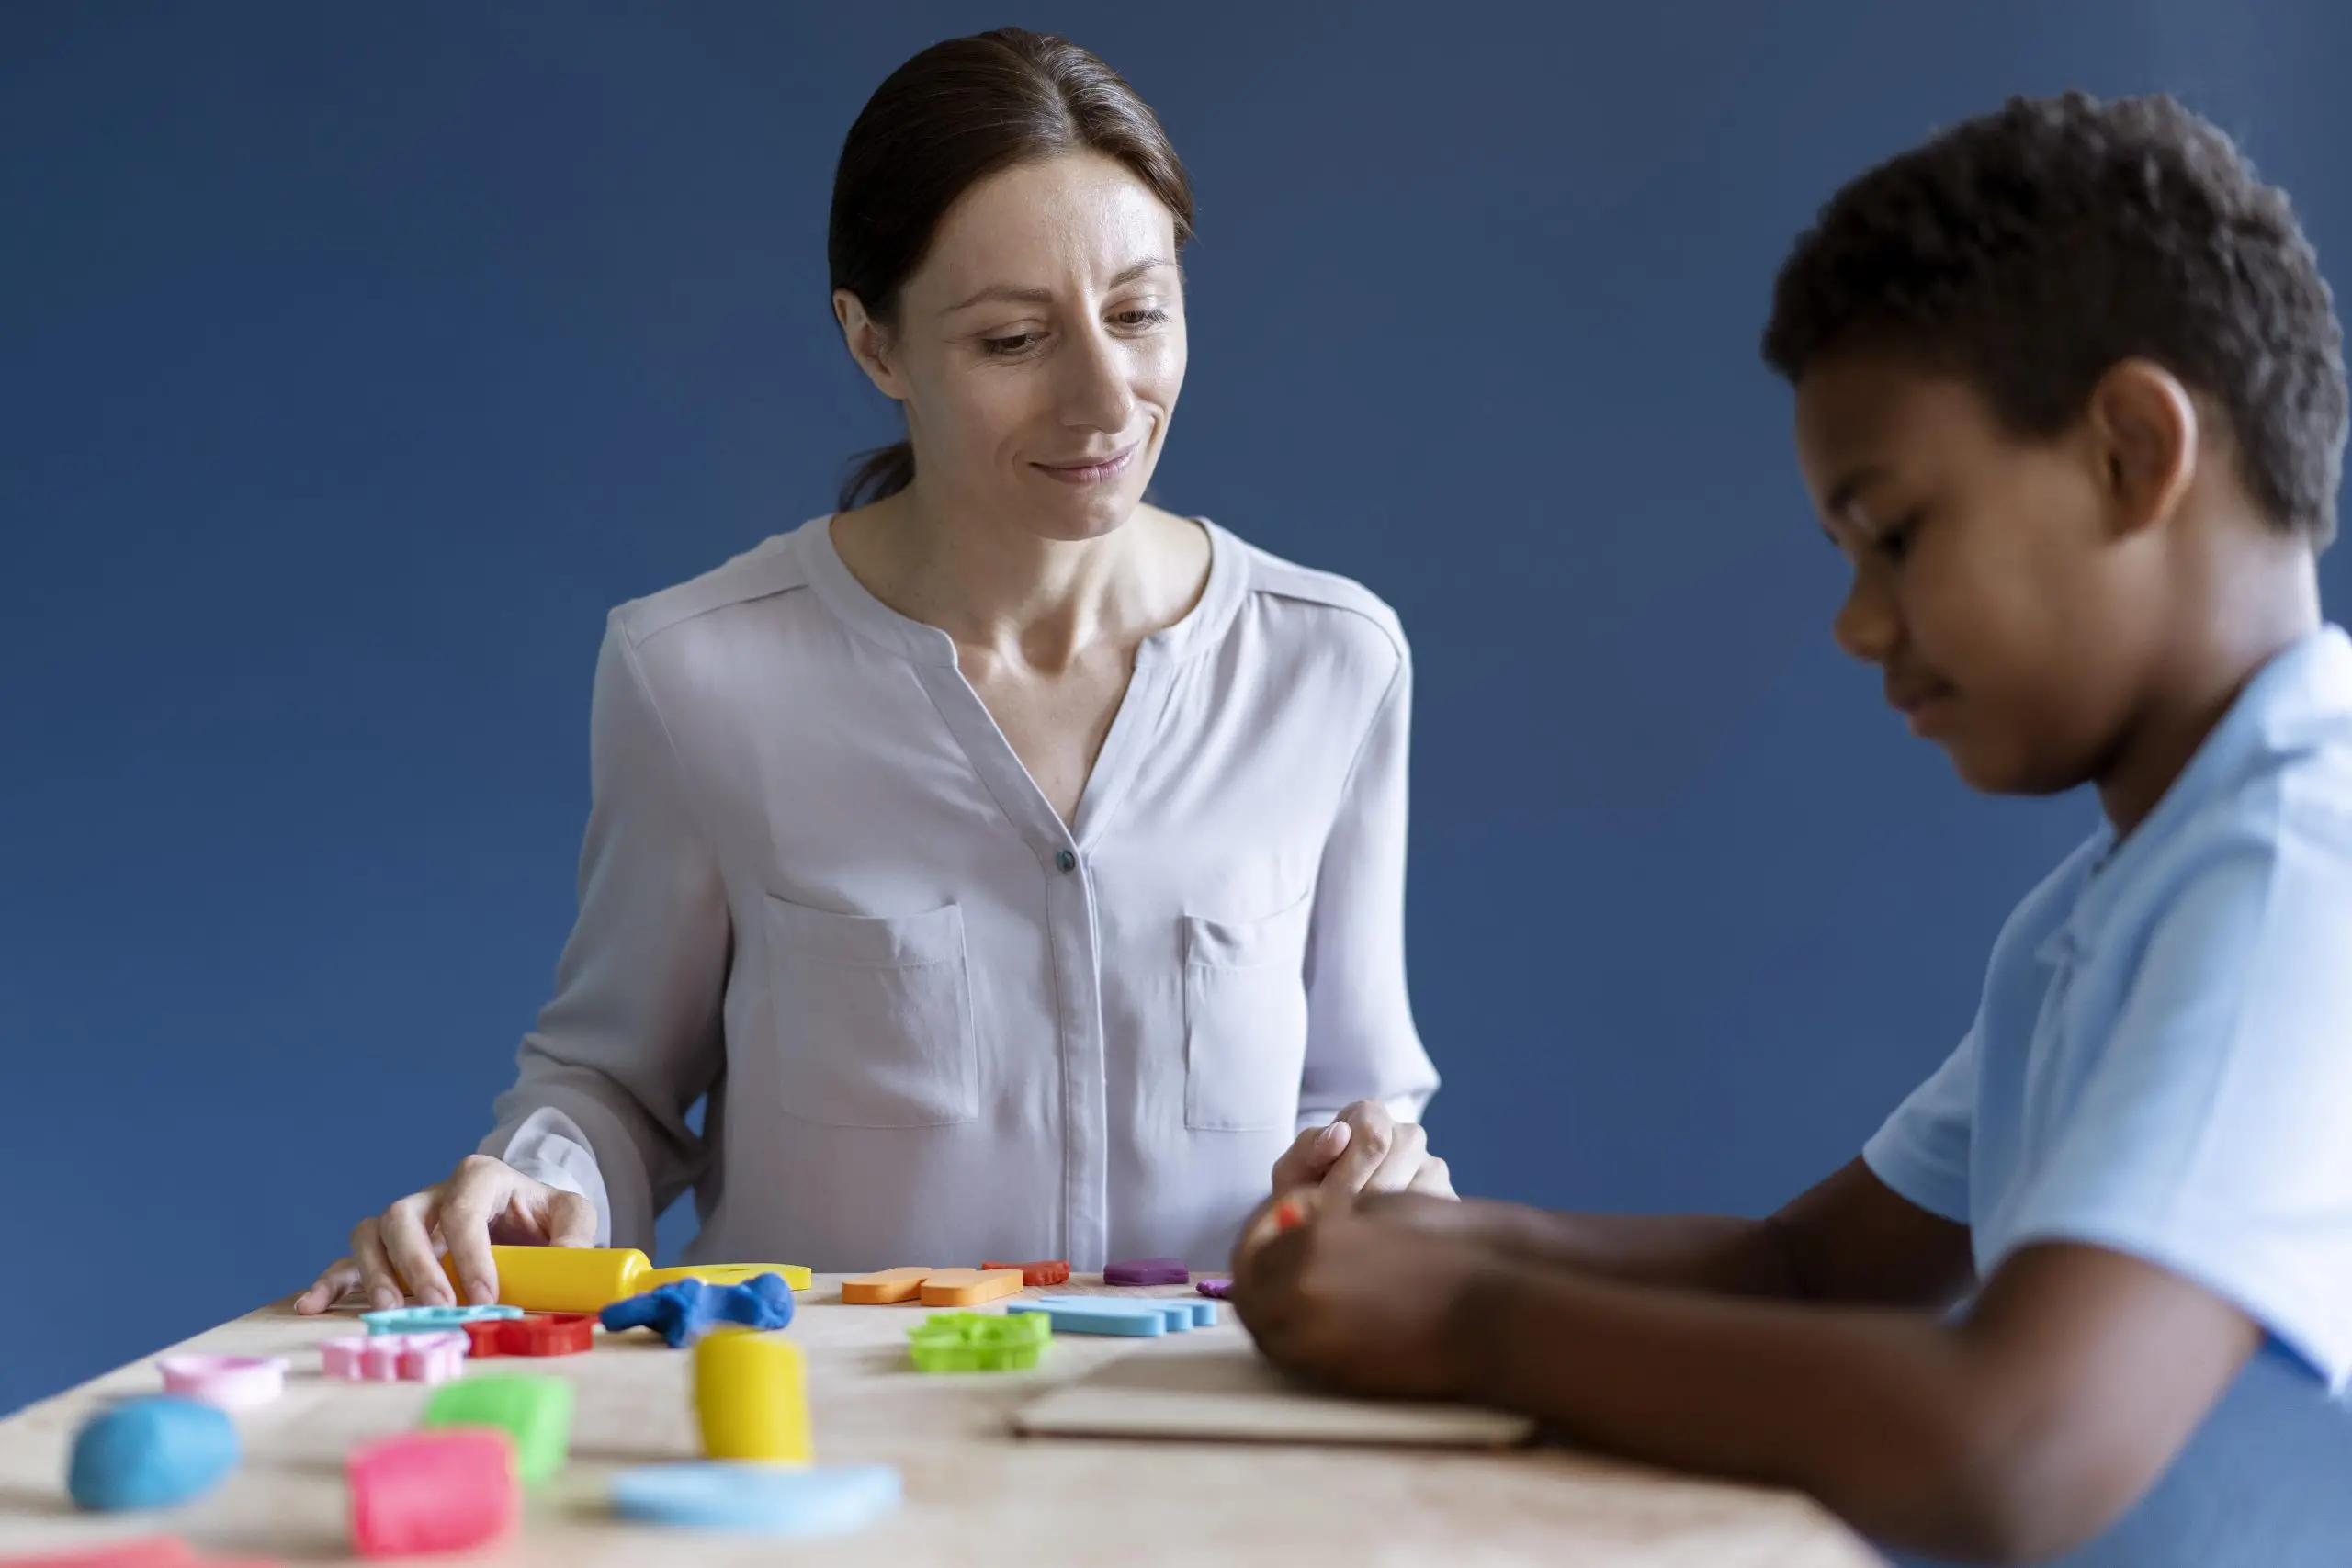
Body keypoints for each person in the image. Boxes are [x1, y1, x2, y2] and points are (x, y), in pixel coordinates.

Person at [1229, 91, 2352, 1567]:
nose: (1858, 621)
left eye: (1897, 532)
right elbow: (1809, 1269)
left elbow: (2010, 1446)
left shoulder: (2295, 867)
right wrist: (1446, 1241)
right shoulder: (2098, 914)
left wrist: (1473, 1323)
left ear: (2133, 452)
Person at [298, 28, 1449, 1319]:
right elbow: (609, 1086)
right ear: (874, 345)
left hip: (1202, 1457)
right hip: (824, 1466)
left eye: (1138, 314)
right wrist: (519, 1186)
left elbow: (1352, 1092)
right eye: (1014, 340)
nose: (1102, 398)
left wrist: (1379, 1169)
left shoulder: (1330, 660)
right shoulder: (700, 673)